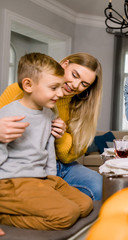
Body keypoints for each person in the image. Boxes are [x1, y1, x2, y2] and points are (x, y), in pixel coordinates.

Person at [0, 53, 93, 230]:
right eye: (54, 88)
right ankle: (4, 216)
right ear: (28, 85)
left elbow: (49, 151)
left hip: (42, 177)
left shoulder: (49, 113)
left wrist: (52, 179)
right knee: (67, 215)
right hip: (12, 181)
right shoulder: (9, 114)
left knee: (85, 205)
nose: (60, 93)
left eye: (60, 87)